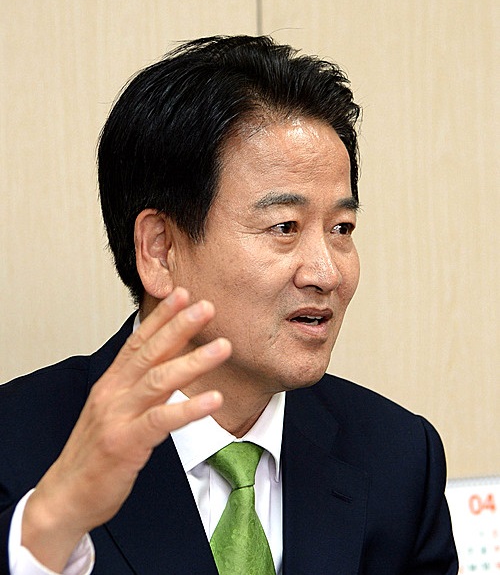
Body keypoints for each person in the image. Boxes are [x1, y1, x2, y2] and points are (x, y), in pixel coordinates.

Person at [0, 35, 457, 574]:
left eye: (341, 228)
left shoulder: (399, 458)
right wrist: (54, 523)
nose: (326, 273)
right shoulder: (16, 444)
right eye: (284, 227)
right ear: (160, 250)